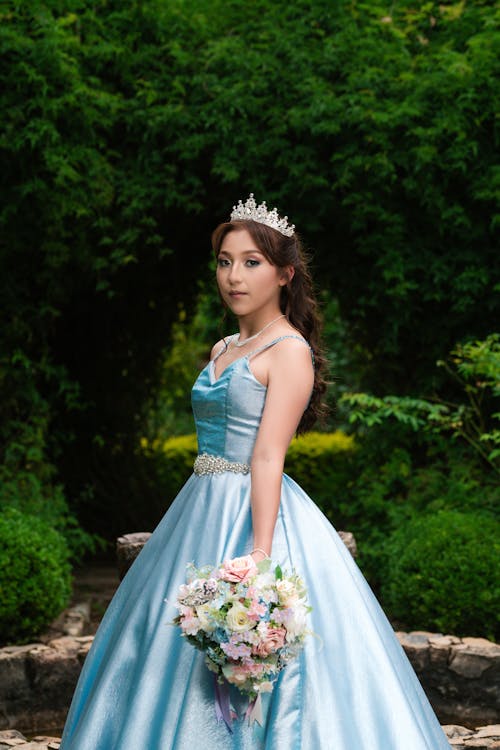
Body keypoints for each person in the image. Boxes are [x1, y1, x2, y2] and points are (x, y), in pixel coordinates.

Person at [60, 194, 451, 749]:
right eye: (224, 261)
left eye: (251, 262)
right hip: (198, 504)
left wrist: (260, 557)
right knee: (162, 638)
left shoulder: (289, 350)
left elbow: (268, 456)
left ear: (285, 274)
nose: (233, 276)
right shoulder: (225, 345)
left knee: (260, 647)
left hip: (254, 512)